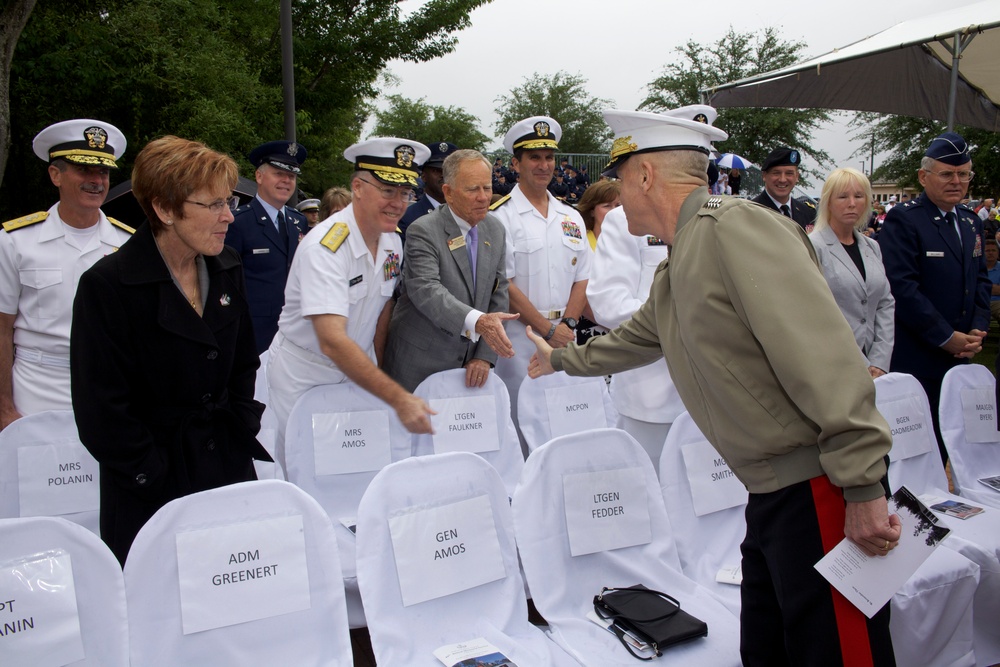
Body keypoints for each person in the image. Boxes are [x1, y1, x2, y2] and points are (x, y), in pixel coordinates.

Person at [526, 106, 899, 666]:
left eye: (621, 180)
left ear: (645, 176)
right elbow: (637, 339)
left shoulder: (735, 230)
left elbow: (825, 359)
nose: (617, 198)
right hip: (773, 492)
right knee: (772, 646)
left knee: (839, 653)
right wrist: (560, 360)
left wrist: (864, 485)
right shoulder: (682, 257)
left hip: (821, 487)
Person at [70, 136, 271, 565]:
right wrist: (153, 473)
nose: (228, 217)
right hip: (152, 488)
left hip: (226, 467)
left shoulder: (226, 266)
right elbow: (101, 411)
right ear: (163, 209)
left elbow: (243, 364)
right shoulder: (108, 286)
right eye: (213, 205)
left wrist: (239, 425)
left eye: (228, 202)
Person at [266, 138, 435, 467]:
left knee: (356, 467)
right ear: (357, 186)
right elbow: (331, 340)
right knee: (307, 469)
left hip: (358, 372)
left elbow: (380, 311)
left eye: (405, 193)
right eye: (387, 190)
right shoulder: (326, 247)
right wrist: (397, 397)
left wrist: (380, 369)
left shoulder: (391, 242)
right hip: (306, 374)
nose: (398, 203)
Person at [0, 119, 135, 427]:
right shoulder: (15, 242)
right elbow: (1, 330)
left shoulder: (128, 244)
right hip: (36, 388)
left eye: (103, 172)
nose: (96, 181)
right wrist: (4, 408)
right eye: (84, 170)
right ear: (55, 175)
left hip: (108, 388)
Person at [878, 132, 989, 464]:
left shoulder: (971, 223)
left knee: (948, 446)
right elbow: (902, 287)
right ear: (924, 177)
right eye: (947, 174)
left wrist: (977, 330)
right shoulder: (905, 219)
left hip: (961, 358)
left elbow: (980, 281)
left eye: (963, 174)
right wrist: (945, 337)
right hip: (918, 359)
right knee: (911, 456)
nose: (957, 181)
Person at [488, 116, 591, 446]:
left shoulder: (570, 216)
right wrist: (549, 331)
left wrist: (569, 325)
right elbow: (505, 285)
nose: (544, 165)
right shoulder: (500, 217)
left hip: (566, 335)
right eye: (534, 157)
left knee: (568, 423)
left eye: (549, 158)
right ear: (516, 164)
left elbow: (583, 277)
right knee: (522, 429)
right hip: (521, 341)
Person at [383, 150, 517, 392]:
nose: (483, 197)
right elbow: (426, 290)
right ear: (448, 192)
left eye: (487, 188)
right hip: (420, 364)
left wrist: (485, 356)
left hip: (470, 368)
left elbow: (499, 291)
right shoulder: (423, 230)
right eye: (472, 189)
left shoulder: (495, 229)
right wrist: (479, 322)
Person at [587, 205, 682, 462]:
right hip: (651, 391)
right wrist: (682, 315)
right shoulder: (625, 218)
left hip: (711, 394)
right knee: (649, 488)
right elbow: (609, 304)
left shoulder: (710, 212)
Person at [225, 140, 309, 354]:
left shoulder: (298, 221)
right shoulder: (238, 222)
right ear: (259, 177)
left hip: (294, 333)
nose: (286, 181)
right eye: (278, 174)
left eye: (291, 176)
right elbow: (227, 284)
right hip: (253, 335)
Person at [809, 168, 895, 378]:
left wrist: (880, 360)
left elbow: (884, 302)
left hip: (875, 365)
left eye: (858, 196)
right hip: (834, 364)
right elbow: (818, 311)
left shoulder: (872, 247)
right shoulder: (814, 247)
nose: (851, 203)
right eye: (843, 196)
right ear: (828, 202)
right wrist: (860, 362)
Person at [398, 141, 457, 242]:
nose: (443, 175)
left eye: (449, 171)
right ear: (424, 176)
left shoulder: (464, 213)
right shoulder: (408, 218)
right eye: (436, 171)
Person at [752, 146, 817, 232]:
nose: (782, 179)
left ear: (797, 176)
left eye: (789, 173)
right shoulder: (751, 212)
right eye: (776, 173)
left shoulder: (808, 213)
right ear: (764, 176)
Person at [576, 179, 620, 250]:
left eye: (618, 205)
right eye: (607, 206)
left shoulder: (631, 241)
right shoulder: (580, 243)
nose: (614, 211)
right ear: (592, 211)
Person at [985, 238, 1000, 326]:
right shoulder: (975, 269)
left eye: (993, 250)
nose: (991, 253)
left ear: (998, 253)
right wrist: (993, 287)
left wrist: (984, 287)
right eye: (987, 250)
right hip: (977, 303)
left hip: (997, 303)